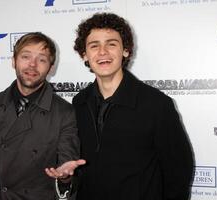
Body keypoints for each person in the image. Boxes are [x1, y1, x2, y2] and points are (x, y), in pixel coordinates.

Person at [71, 12, 194, 200]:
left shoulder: (157, 105)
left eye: (111, 44)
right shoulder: (79, 102)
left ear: (126, 50)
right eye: (94, 46)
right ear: (84, 55)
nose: (102, 52)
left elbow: (178, 171)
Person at [0, 32, 85, 200]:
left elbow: (67, 166)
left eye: (42, 59)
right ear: (14, 61)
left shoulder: (64, 112)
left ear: (51, 68)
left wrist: (64, 176)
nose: (32, 65)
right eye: (26, 56)